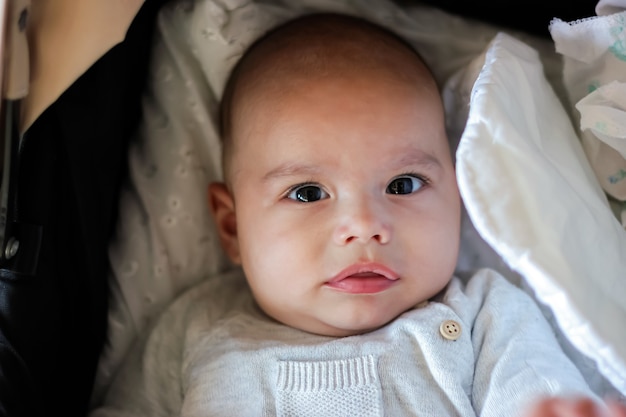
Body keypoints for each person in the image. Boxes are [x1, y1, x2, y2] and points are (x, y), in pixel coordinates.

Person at [90, 13, 625, 417]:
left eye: (403, 184)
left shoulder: (484, 315)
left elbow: (537, 394)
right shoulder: (196, 330)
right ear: (232, 227)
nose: (365, 224)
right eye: (306, 194)